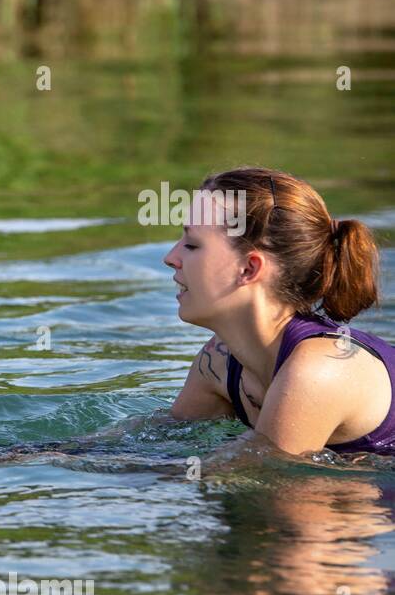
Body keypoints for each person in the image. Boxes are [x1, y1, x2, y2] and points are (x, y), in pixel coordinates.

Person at [166, 167, 393, 455]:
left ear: (249, 268)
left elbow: (254, 476)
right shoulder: (220, 361)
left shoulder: (319, 369)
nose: (171, 258)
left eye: (192, 244)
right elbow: (160, 443)